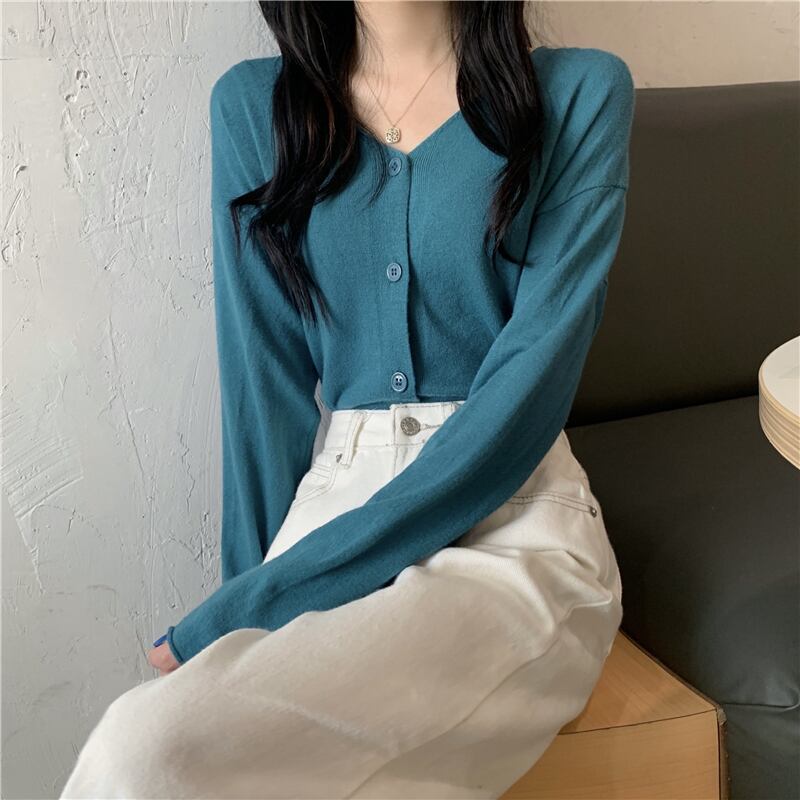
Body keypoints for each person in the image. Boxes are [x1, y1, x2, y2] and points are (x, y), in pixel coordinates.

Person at [60, 1, 635, 797]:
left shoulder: (578, 93)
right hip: (328, 514)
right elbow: (262, 388)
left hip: (515, 527)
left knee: (145, 749)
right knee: (166, 746)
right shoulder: (256, 109)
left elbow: (528, 393)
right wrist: (244, 604)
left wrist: (272, 597)